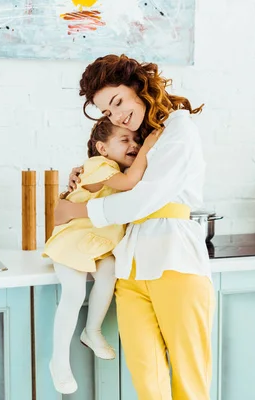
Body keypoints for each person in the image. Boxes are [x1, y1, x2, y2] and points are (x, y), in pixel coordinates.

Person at [54, 54, 214, 400]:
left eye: (118, 102)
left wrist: (77, 209)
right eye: (108, 112)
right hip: (130, 267)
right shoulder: (141, 137)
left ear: (139, 86)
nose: (117, 115)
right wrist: (85, 173)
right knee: (147, 381)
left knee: (189, 379)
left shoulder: (180, 127)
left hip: (176, 264)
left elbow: (144, 200)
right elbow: (117, 174)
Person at [44, 117, 157, 394]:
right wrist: (149, 147)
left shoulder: (112, 167)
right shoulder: (98, 166)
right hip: (73, 240)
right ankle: (58, 360)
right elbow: (130, 183)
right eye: (125, 140)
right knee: (73, 293)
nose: (134, 145)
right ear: (102, 148)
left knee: (108, 276)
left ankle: (91, 331)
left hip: (98, 246)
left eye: (137, 140)